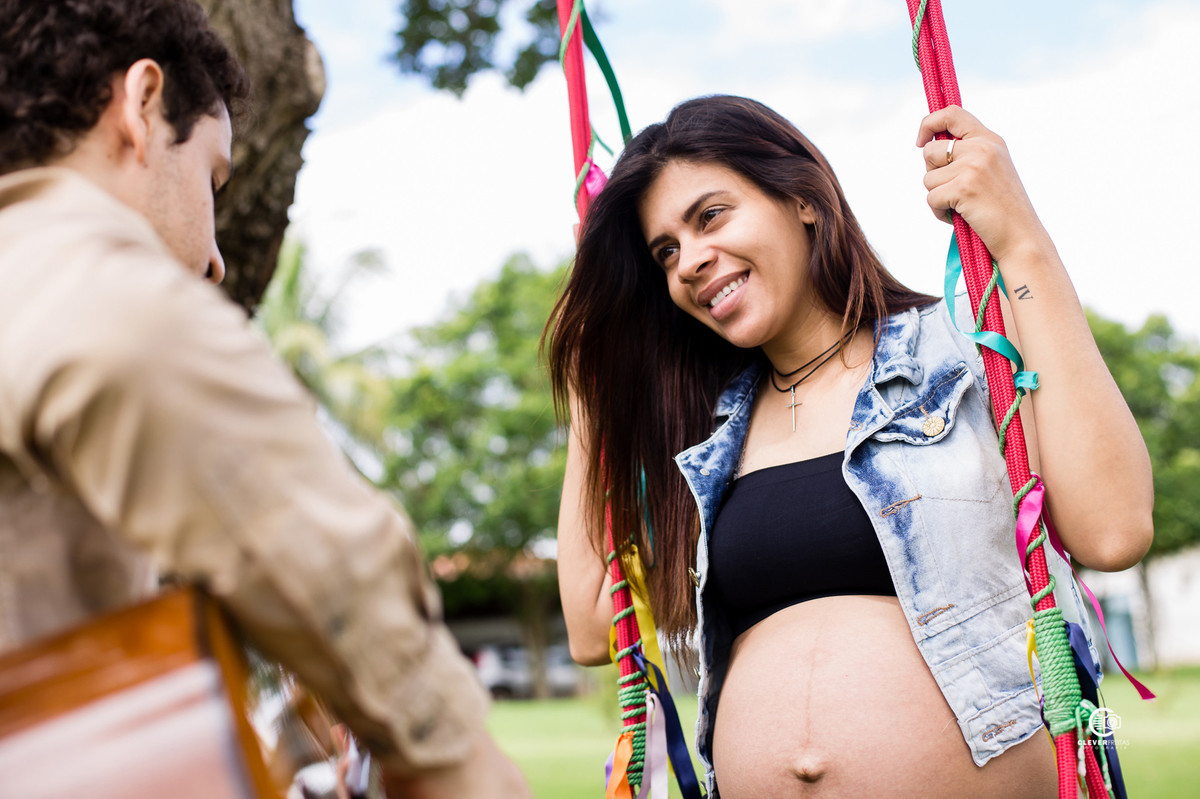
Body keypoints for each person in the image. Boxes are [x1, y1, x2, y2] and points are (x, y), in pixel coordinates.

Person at [549, 95, 1153, 797]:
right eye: (666, 251)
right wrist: (595, 378)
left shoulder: (968, 347)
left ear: (803, 199)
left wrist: (1018, 237)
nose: (689, 262)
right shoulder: (708, 436)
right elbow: (593, 628)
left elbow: (1113, 530)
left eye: (710, 216)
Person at [0, 2, 530, 797]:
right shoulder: (58, 258)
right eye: (211, 178)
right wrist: (450, 750)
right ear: (142, 104)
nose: (217, 259)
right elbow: (329, 559)